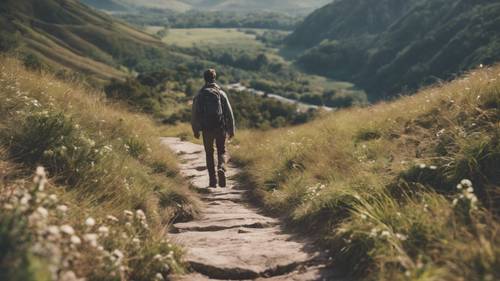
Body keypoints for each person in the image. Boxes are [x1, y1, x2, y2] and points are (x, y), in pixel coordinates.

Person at [191, 69, 235, 188]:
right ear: (214, 78)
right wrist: (231, 130)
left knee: (209, 153)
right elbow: (229, 114)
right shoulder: (221, 94)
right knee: (222, 151)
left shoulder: (199, 95)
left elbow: (194, 114)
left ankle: (212, 181)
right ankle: (221, 168)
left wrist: (196, 129)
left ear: (204, 79)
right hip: (220, 127)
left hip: (206, 129)